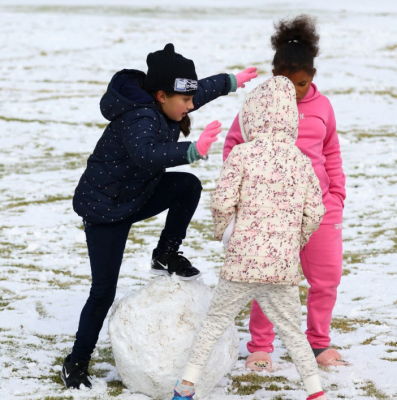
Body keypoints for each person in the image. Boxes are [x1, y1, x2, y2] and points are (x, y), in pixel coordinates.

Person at [61, 43, 258, 389]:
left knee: (187, 186)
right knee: (103, 290)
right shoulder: (139, 114)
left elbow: (198, 92)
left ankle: (165, 253)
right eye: (184, 101)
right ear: (161, 95)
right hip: (105, 210)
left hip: (137, 194)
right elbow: (146, 154)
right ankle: (76, 361)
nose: (190, 106)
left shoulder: (171, 103)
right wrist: (192, 150)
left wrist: (230, 81)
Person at [171, 76, 327, 400]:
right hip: (281, 266)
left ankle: (185, 386)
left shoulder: (241, 155)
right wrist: (292, 243)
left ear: (252, 114)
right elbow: (315, 212)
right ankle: (315, 391)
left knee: (215, 322)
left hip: (242, 260)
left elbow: (222, 201)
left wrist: (226, 233)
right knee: (292, 333)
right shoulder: (301, 161)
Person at [223, 15, 347, 371]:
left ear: (313, 78)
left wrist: (336, 194)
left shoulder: (323, 107)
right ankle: (260, 347)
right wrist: (247, 191)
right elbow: (233, 146)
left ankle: (318, 343)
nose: (293, 91)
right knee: (269, 276)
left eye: (303, 84)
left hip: (321, 208)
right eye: (285, 82)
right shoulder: (257, 106)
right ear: (273, 73)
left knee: (327, 279)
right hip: (271, 211)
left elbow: (332, 151)